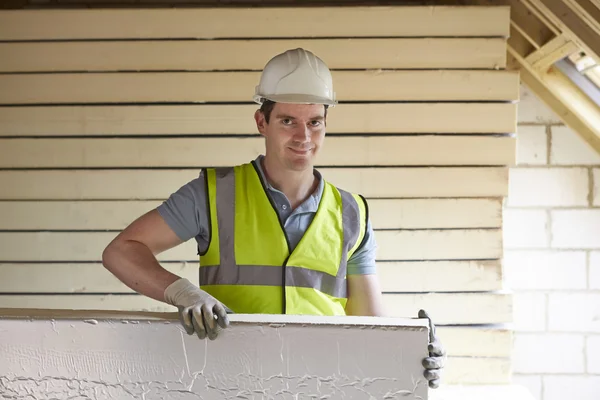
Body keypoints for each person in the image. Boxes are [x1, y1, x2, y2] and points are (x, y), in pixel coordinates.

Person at [102, 48, 445, 388]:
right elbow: (121, 251)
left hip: (322, 388)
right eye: (287, 121)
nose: (303, 137)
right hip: (232, 385)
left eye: (314, 122)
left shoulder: (352, 213)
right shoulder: (212, 194)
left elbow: (370, 326)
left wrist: (411, 356)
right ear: (261, 122)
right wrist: (183, 293)